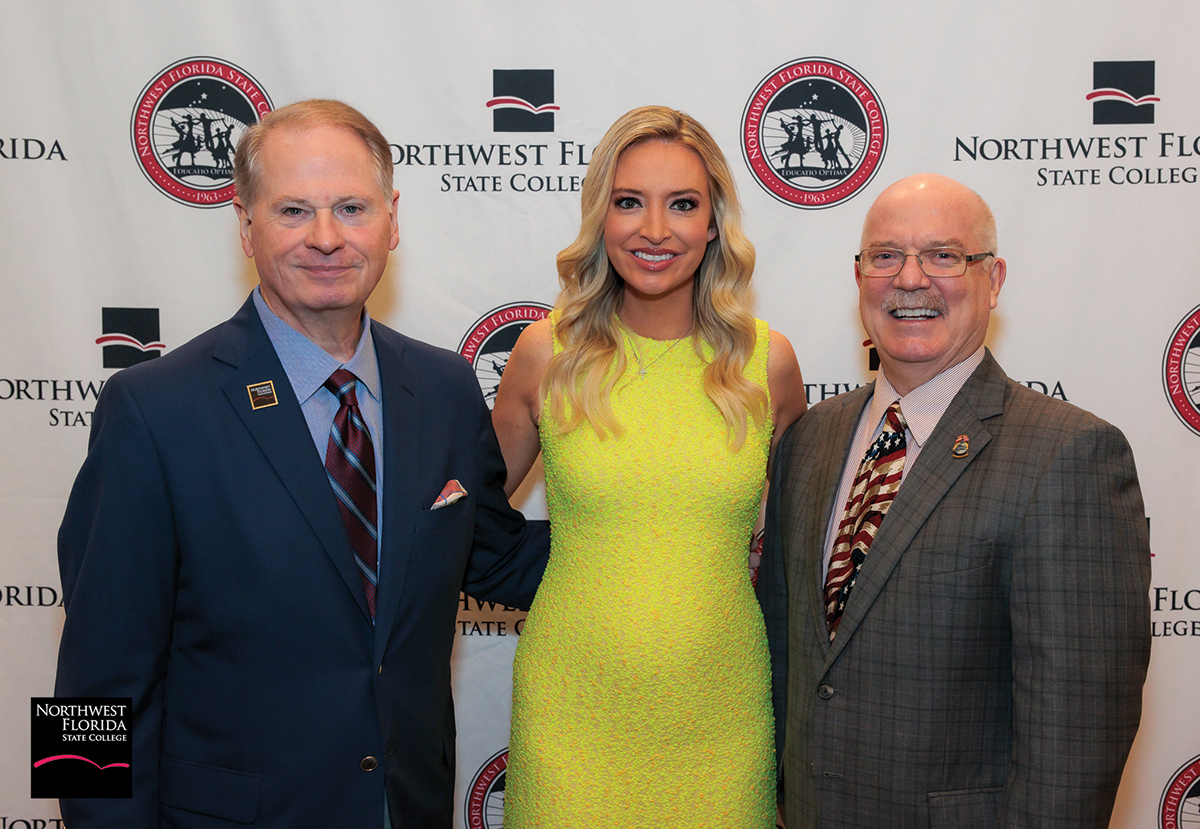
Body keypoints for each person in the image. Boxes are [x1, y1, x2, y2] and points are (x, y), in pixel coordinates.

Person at [54, 100, 549, 828]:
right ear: (246, 226)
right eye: (293, 211)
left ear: (392, 220)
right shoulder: (154, 410)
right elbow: (92, 691)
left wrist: (678, 530)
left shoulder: (443, 389)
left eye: (351, 207)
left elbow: (495, 558)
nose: (326, 237)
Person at [759, 173, 1151, 828]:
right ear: (859, 277)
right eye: (886, 255)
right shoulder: (808, 440)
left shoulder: (1070, 454)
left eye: (943, 255)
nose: (910, 279)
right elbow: (785, 661)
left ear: (993, 280)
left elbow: (1075, 740)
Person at [492, 105, 807, 826]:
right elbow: (461, 518)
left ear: (714, 222)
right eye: (630, 201)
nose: (655, 229)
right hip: (571, 713)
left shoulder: (767, 363)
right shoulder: (545, 354)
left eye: (683, 204)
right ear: (600, 217)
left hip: (722, 716)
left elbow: (804, 550)